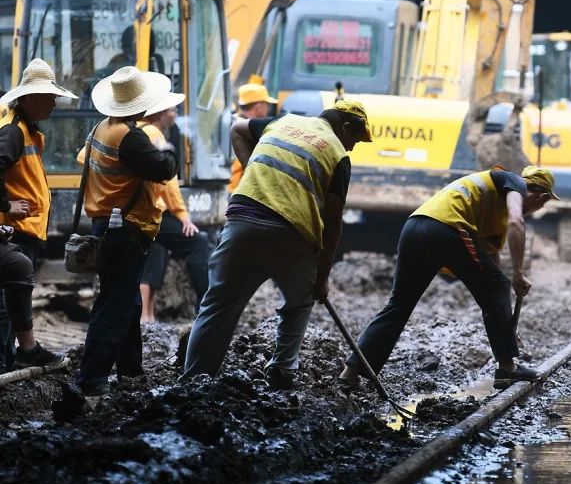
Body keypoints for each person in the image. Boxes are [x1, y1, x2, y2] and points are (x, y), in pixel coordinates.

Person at [182, 101, 370, 390]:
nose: (352, 147)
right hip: (291, 235)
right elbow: (333, 225)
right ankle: (282, 371)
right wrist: (321, 279)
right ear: (345, 128)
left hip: (242, 224)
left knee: (217, 305)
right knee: (300, 301)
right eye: (355, 140)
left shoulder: (282, 122)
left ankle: (193, 382)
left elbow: (237, 129)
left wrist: (256, 173)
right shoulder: (338, 155)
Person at [340, 166, 557, 390]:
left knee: (399, 305)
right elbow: (516, 222)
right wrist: (518, 274)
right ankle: (507, 369)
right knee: (498, 285)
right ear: (542, 198)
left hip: (414, 228)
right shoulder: (513, 181)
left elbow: (491, 265)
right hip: (445, 228)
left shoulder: (492, 210)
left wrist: (504, 323)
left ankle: (351, 372)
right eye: (542, 204)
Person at [76, 67, 179, 396]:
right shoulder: (130, 137)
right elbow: (164, 170)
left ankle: (130, 371)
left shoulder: (102, 128)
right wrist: (168, 147)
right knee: (114, 306)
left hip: (107, 225)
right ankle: (91, 380)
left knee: (128, 302)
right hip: (125, 230)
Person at [0, 59, 78, 370]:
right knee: (10, 299)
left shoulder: (27, 131)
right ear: (31, 98)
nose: (54, 103)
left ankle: (9, 359)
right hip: (16, 229)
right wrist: (6, 206)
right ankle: (10, 360)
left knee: (12, 299)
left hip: (26, 229)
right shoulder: (14, 132)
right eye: (50, 97)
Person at [137, 96, 209, 323]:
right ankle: (207, 307)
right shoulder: (154, 134)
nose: (176, 114)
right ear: (160, 113)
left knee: (155, 251)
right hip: (150, 214)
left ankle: (146, 316)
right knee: (198, 242)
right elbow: (168, 183)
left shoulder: (132, 131)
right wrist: (183, 216)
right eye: (173, 110)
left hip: (139, 213)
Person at [228, 82, 278, 194]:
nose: (268, 108)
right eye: (266, 104)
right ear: (258, 107)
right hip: (236, 190)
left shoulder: (231, 122)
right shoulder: (247, 133)